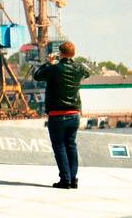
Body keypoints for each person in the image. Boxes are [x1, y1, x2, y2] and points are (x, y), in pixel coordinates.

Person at [32, 41, 91, 188]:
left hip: (57, 114)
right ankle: (73, 178)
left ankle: (65, 179)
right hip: (74, 114)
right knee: (71, 145)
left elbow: (37, 76)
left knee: (59, 146)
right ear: (73, 53)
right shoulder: (78, 68)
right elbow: (87, 72)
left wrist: (48, 63)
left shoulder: (54, 69)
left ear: (60, 53)